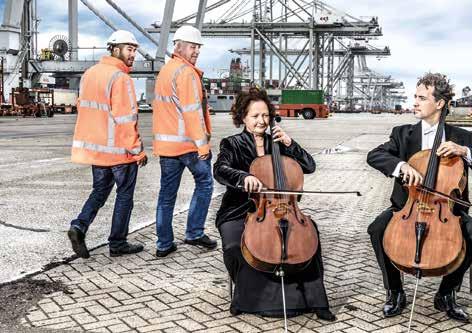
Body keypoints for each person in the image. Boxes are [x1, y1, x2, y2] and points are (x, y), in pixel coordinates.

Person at [366, 73, 472, 322]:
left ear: (439, 103)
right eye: (415, 97)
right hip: (406, 208)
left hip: (447, 210)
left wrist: (464, 152)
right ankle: (394, 291)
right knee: (377, 229)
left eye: (421, 98)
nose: (414, 102)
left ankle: (447, 293)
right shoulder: (402, 133)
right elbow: (374, 156)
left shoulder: (461, 137)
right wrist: (401, 166)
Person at [213, 88, 336, 321]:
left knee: (309, 236)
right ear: (243, 118)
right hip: (239, 210)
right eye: (255, 116)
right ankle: (247, 297)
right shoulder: (232, 144)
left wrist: (290, 144)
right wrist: (243, 177)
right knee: (233, 244)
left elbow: (309, 166)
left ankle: (315, 300)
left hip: (282, 209)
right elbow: (220, 169)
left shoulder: (277, 143)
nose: (262, 121)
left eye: (265, 115)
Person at [68, 30, 147, 258]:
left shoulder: (89, 74)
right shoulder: (120, 78)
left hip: (97, 151)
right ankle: (118, 242)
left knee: (99, 192)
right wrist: (137, 151)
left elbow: (84, 109)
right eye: (129, 49)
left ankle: (79, 226)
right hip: (120, 152)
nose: (133, 54)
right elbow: (125, 119)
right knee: (124, 195)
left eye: (135, 50)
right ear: (114, 49)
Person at [152, 25, 217, 257]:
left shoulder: (166, 72)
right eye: (192, 46)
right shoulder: (187, 73)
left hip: (167, 145)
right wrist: (202, 145)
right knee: (205, 184)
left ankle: (163, 244)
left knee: (167, 194)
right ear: (178, 46)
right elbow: (191, 112)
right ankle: (194, 232)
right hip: (188, 144)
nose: (196, 51)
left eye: (198, 46)